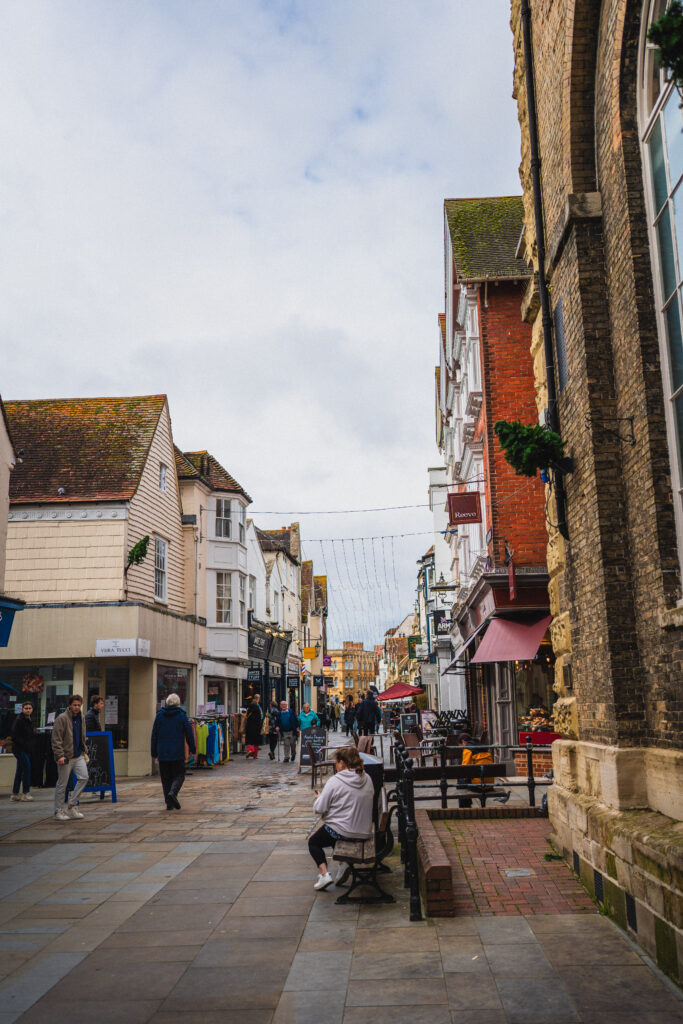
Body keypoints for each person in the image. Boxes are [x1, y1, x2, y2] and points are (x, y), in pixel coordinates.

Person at [308, 745, 375, 891]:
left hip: (345, 831)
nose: (336, 766)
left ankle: (324, 874)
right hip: (364, 831)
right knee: (336, 829)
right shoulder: (367, 778)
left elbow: (319, 808)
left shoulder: (335, 781)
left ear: (343, 763)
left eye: (336, 762)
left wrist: (319, 798)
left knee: (314, 842)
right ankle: (343, 863)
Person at [150, 693, 196, 809]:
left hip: (163, 752)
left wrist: (154, 752)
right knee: (180, 775)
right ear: (178, 703)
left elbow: (154, 735)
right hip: (177, 752)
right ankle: (173, 793)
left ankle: (169, 804)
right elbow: (189, 733)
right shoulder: (181, 715)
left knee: (165, 778)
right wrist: (192, 748)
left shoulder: (159, 716)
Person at [52, 694, 89, 821]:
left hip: (78, 754)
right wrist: (60, 755)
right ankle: (58, 811)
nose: (77, 707)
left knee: (84, 777)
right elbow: (56, 739)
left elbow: (82, 735)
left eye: (79, 705)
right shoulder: (61, 718)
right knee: (62, 784)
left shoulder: (81, 717)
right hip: (66, 756)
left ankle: (72, 806)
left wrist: (84, 749)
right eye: (74, 705)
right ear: (69, 705)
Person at [456, 732, 494, 808]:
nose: (462, 748)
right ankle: (467, 803)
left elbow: (464, 770)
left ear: (463, 742)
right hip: (489, 784)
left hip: (478, 786)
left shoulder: (468, 749)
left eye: (461, 746)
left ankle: (465, 807)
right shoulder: (484, 748)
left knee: (460, 780)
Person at [10, 701, 35, 802]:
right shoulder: (19, 720)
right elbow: (14, 736)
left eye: (29, 708)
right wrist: (24, 744)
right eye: (26, 708)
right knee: (27, 769)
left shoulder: (29, 720)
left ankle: (15, 794)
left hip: (25, 749)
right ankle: (25, 793)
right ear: (22, 709)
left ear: (32, 709)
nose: (28, 710)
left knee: (20, 770)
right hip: (20, 749)